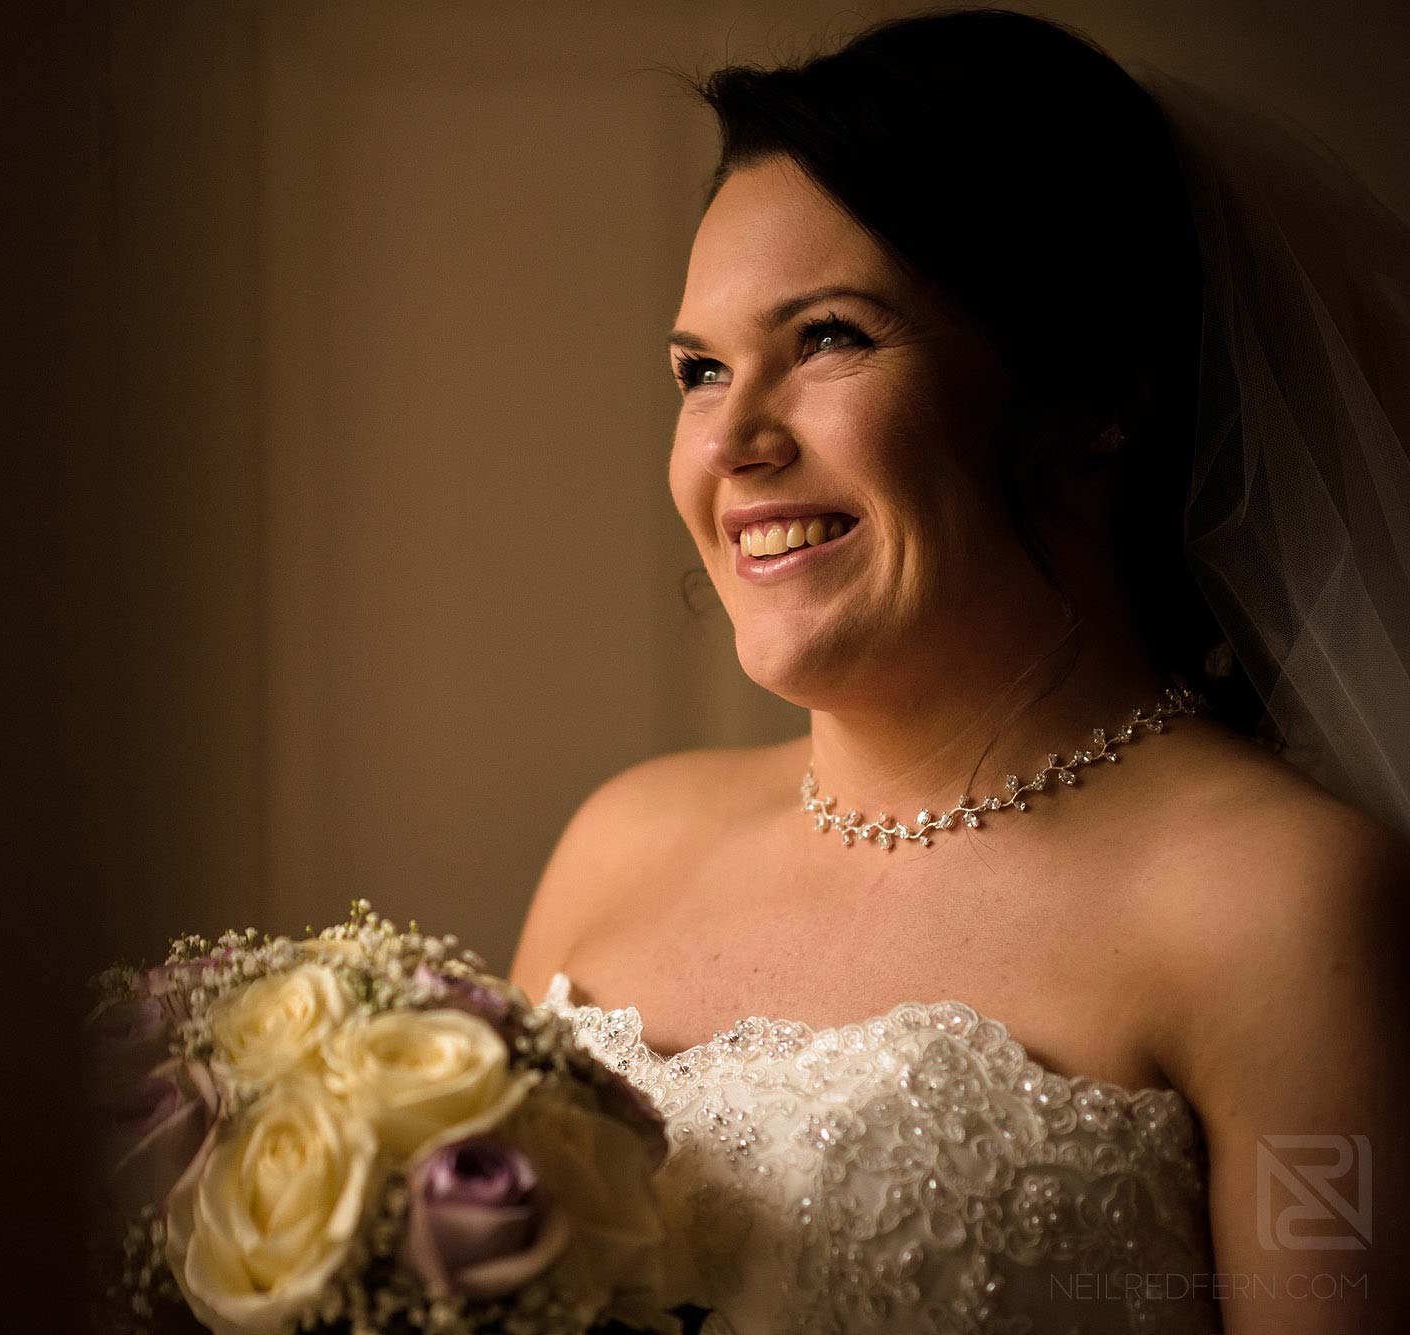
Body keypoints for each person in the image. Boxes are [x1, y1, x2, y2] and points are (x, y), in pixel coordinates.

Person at [508, 9, 1410, 1334]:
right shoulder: (617, 843)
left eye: (829, 339)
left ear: (1093, 388)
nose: (735, 442)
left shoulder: (1283, 908)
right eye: (701, 371)